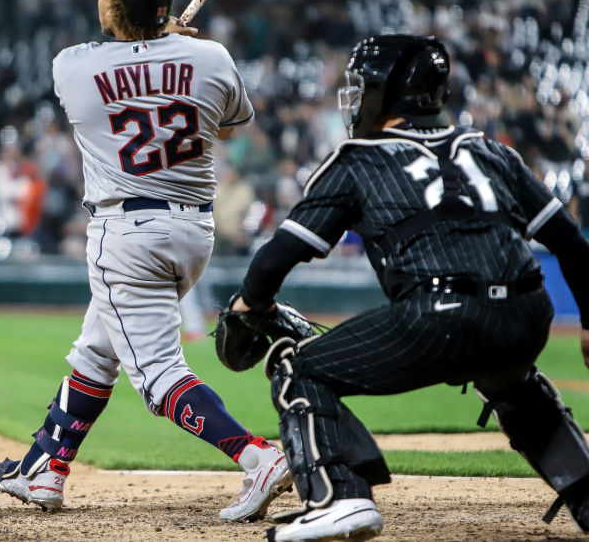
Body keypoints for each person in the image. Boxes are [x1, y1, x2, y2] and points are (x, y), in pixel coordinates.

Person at [230, 35, 589, 541]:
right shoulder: (490, 151)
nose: (354, 96)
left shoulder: (357, 158)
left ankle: (340, 496)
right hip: (529, 316)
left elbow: (275, 260)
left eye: (361, 85)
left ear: (386, 91)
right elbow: (572, 244)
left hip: (437, 314)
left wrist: (250, 302)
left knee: (299, 365)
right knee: (514, 383)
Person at [0, 0, 292, 521]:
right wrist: (174, 46)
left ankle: (256, 456)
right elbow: (229, 127)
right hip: (192, 233)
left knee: (157, 375)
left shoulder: (71, 66)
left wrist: (155, 43)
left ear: (114, 4)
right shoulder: (212, 58)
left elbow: (120, 62)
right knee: (97, 350)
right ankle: (44, 468)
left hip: (126, 233)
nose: (97, 0)